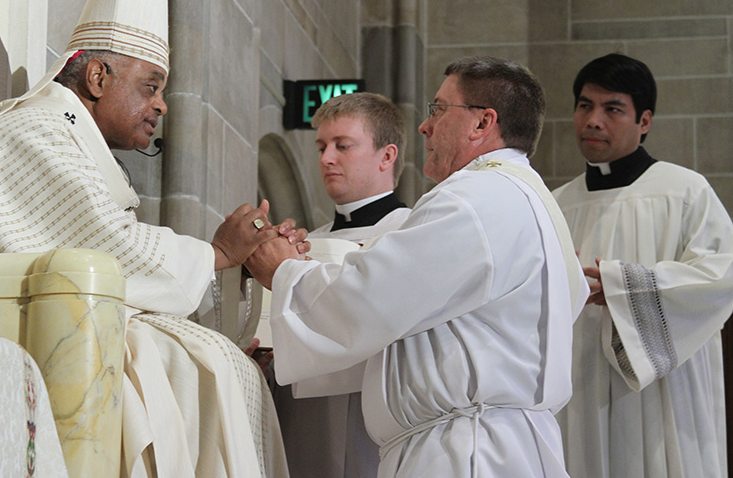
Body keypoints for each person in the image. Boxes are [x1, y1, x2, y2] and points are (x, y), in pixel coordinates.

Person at [0, 0, 298, 477]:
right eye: (151, 86)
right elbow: (111, 250)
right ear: (98, 76)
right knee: (197, 366)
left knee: (215, 362)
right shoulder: (35, 134)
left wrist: (231, 266)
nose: (163, 106)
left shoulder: (68, 140)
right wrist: (218, 253)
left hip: (45, 327)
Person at [247, 56, 589, 477]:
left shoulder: (474, 197)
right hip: (498, 442)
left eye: (438, 110)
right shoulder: (535, 201)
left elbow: (369, 299)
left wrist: (282, 272)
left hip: (464, 453)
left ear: (482, 123)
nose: (425, 127)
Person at [553, 53, 733, 478]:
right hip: (577, 389)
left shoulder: (684, 190)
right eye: (584, 105)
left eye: (612, 108)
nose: (593, 120)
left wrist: (622, 287)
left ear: (644, 121)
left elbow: (720, 276)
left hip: (662, 392)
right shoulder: (555, 205)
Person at [272, 92, 411, 478]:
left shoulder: (410, 233)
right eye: (321, 147)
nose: (326, 159)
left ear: (387, 156)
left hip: (370, 411)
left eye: (342, 146)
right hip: (299, 412)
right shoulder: (306, 240)